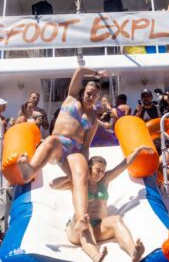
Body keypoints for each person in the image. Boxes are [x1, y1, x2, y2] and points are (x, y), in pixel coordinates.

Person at [16, 67, 104, 238]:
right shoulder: (71, 98)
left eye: (94, 96)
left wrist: (84, 163)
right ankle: (29, 170)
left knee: (81, 177)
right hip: (58, 144)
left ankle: (81, 218)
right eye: (89, 93)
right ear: (83, 91)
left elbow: (86, 145)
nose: (90, 97)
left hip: (75, 149)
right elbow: (79, 71)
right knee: (50, 140)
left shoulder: (93, 119)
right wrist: (94, 73)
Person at [50, 147, 153, 262]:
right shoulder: (77, 183)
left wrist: (138, 150)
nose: (100, 174)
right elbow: (53, 184)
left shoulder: (104, 180)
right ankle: (96, 257)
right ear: (88, 169)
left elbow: (124, 164)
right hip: (78, 229)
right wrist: (75, 175)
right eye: (98, 170)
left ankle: (133, 252)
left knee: (116, 219)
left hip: (98, 227)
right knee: (84, 222)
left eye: (103, 171)